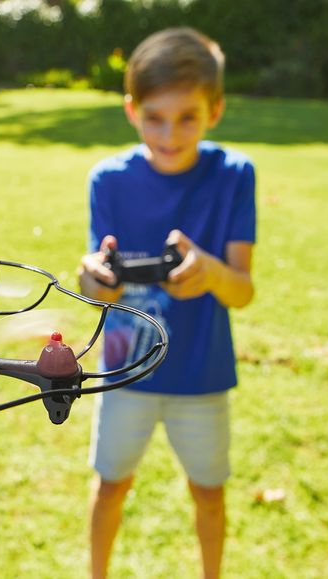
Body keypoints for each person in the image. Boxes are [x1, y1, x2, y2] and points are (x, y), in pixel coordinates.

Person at [77, 27, 256, 579]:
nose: (170, 133)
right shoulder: (108, 178)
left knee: (208, 494)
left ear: (215, 110)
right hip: (126, 370)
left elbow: (243, 290)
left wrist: (210, 273)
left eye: (187, 117)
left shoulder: (233, 175)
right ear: (132, 110)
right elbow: (96, 281)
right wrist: (92, 281)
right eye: (154, 116)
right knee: (110, 486)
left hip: (201, 374)